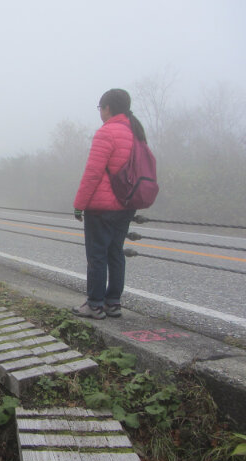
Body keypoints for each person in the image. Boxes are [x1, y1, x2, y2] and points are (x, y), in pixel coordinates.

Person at [72, 88, 146, 319]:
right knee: (116, 253)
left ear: (107, 108)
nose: (100, 113)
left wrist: (79, 203)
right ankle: (113, 303)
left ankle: (94, 304)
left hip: (102, 207)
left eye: (100, 108)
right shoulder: (135, 132)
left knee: (97, 255)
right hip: (126, 204)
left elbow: (93, 173)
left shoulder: (107, 133)